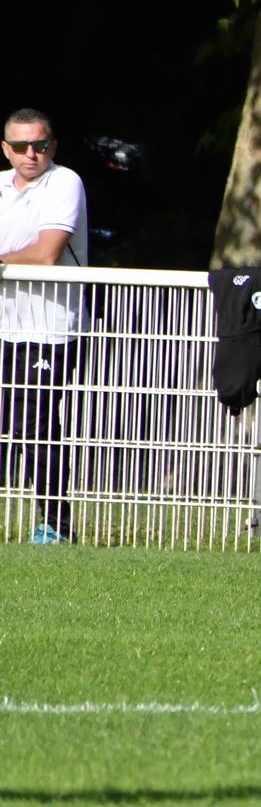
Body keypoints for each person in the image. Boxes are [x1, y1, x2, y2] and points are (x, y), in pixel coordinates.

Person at [0, 108, 88, 545]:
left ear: (53, 147)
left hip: (49, 328)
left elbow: (46, 252)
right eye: (20, 146)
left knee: (34, 425)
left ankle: (56, 525)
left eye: (40, 145)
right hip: (4, 325)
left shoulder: (65, 182)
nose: (30, 154)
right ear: (6, 149)